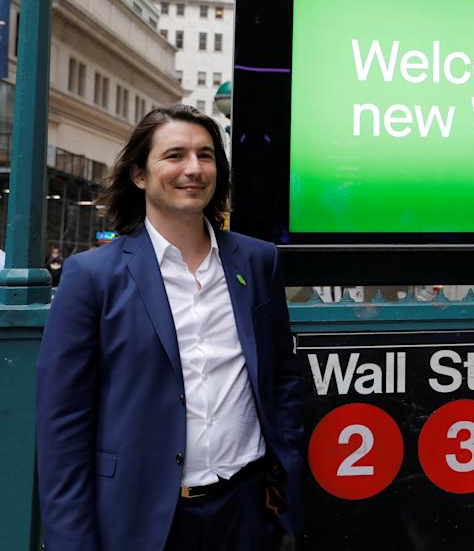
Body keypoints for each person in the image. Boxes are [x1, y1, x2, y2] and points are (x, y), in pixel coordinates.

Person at [36, 105, 304, 551]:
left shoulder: (258, 261)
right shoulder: (92, 276)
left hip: (249, 510)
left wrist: (284, 460)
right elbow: (62, 424)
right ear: (140, 175)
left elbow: (282, 374)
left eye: (206, 155)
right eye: (175, 155)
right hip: (142, 518)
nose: (193, 169)